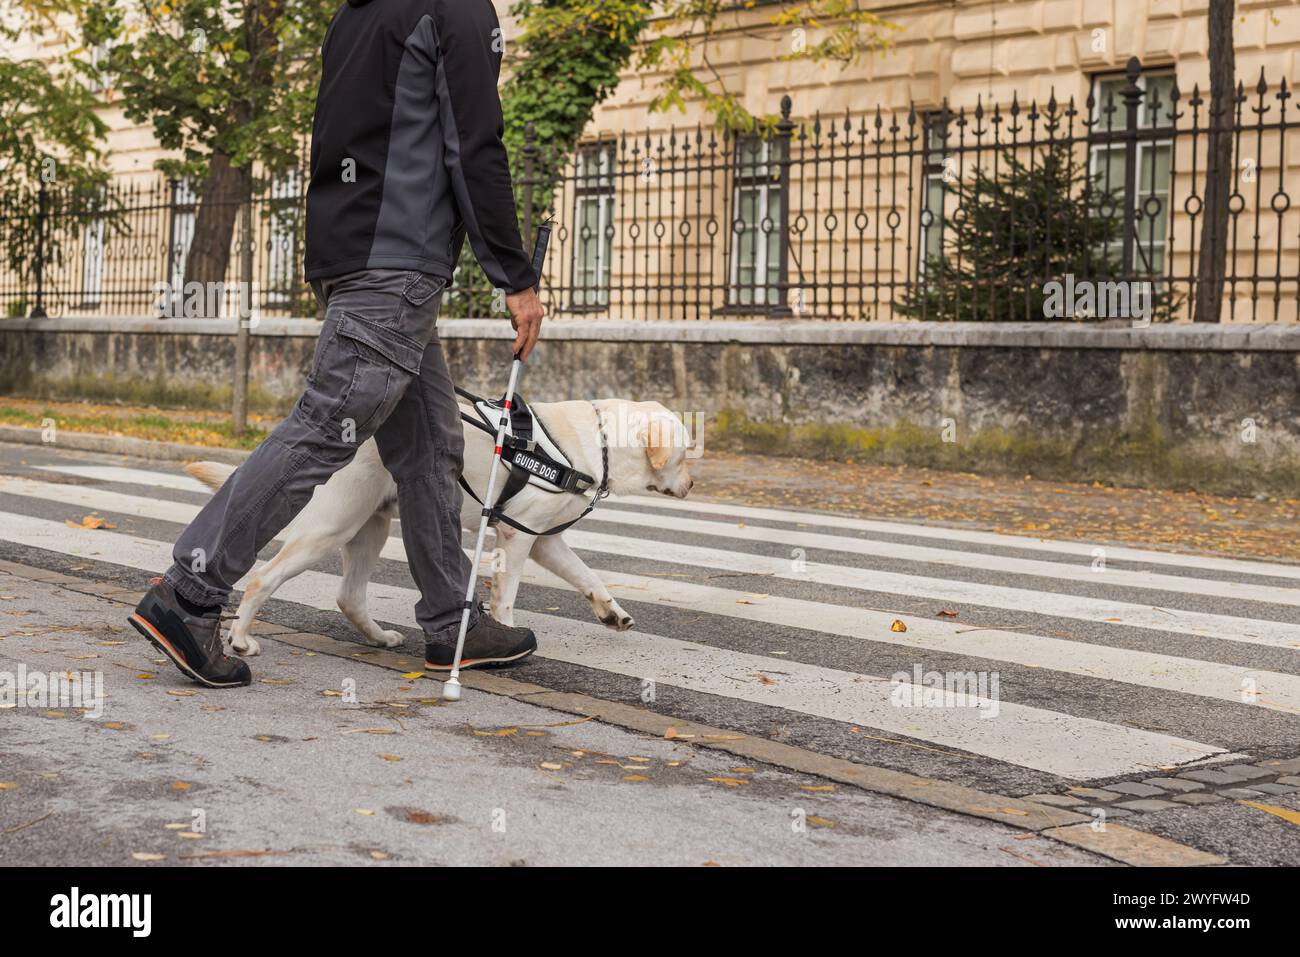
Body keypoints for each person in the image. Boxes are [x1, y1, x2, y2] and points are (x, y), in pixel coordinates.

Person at [129, 0, 544, 688]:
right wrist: (515, 274)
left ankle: (452, 621)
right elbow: (474, 143)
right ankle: (189, 591)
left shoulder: (356, 15)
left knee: (431, 444)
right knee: (325, 427)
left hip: (357, 258)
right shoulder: (456, 8)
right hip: (396, 265)